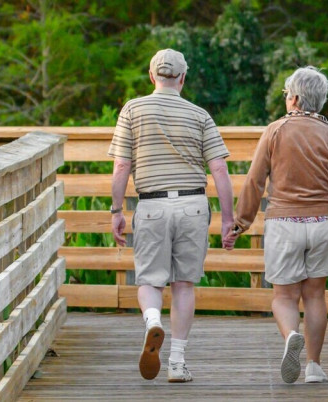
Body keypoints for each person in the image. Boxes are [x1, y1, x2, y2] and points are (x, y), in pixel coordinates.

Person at [223, 66, 328, 384]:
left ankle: (289, 338)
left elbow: (255, 181)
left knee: (284, 296)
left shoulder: (274, 131)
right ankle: (313, 366)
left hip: (284, 222)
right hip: (325, 222)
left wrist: (240, 223)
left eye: (287, 95)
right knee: (315, 296)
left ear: (294, 98)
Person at [108, 49, 235, 382]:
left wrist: (116, 209)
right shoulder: (200, 115)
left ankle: (153, 321)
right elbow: (220, 168)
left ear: (152, 77)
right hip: (193, 206)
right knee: (183, 285)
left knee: (150, 280)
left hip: (152, 206)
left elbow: (122, 165)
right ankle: (177, 363)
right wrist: (227, 219)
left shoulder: (132, 110)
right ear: (182, 78)